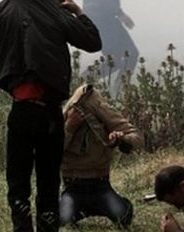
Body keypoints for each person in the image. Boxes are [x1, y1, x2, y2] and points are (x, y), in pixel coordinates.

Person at [0, 0, 102, 232]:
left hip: (20, 112)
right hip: (50, 114)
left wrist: (6, 5)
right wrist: (77, 11)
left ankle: (21, 227)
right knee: (48, 180)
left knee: (18, 181)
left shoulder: (6, 15)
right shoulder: (56, 16)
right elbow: (93, 41)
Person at [59, 83, 143, 229]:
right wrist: (70, 127)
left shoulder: (100, 109)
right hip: (72, 186)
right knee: (61, 218)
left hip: (100, 185)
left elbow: (136, 138)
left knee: (122, 216)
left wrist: (121, 139)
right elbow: (52, 152)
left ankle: (122, 205)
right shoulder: (66, 114)